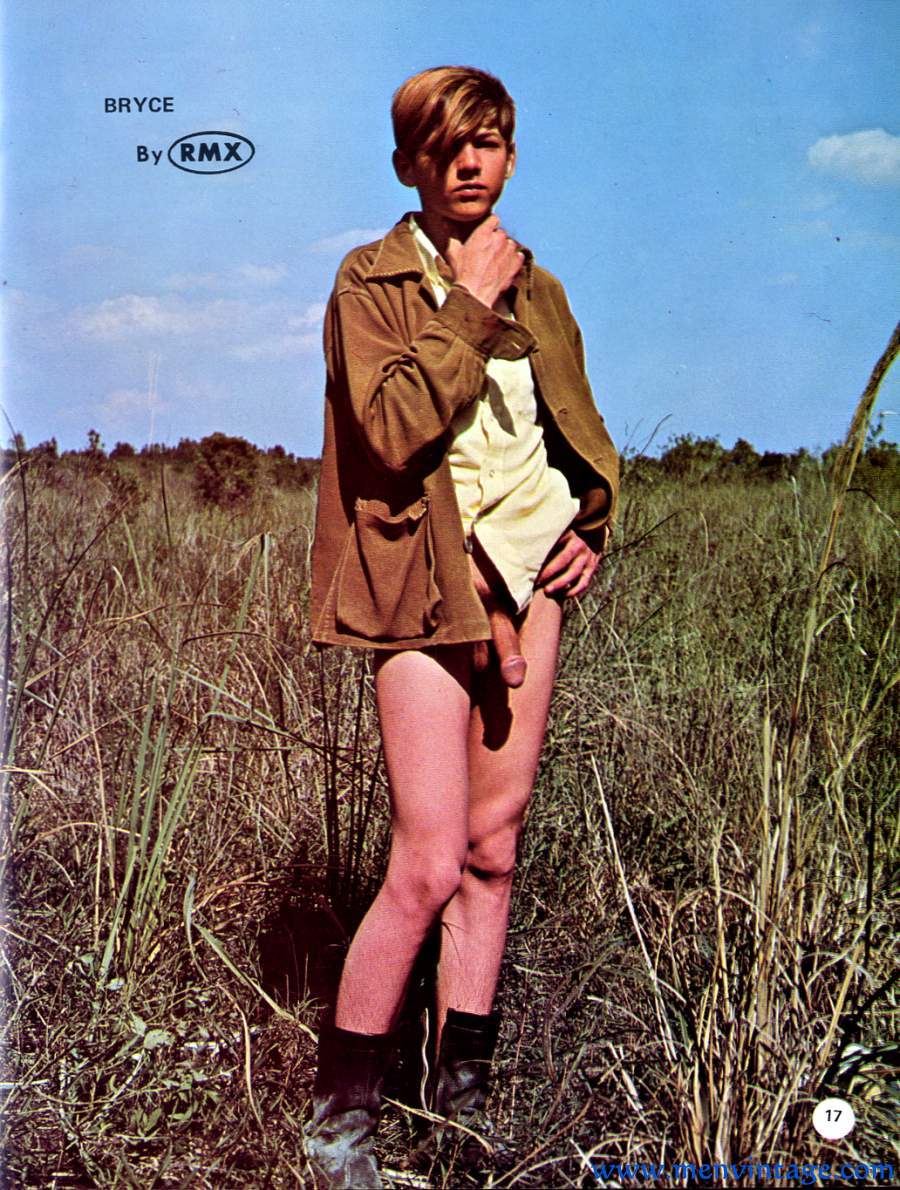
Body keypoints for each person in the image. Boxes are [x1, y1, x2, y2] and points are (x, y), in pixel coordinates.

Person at [304, 65, 619, 1188]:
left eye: (488, 143)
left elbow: (573, 430)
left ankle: (462, 1110)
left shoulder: (543, 287)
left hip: (530, 580)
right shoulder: (372, 278)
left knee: (494, 850)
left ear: (512, 157)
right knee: (430, 857)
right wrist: (468, 307)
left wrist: (595, 526)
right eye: (444, 147)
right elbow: (390, 433)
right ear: (408, 166)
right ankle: (340, 1125)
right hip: (424, 583)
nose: (468, 163)